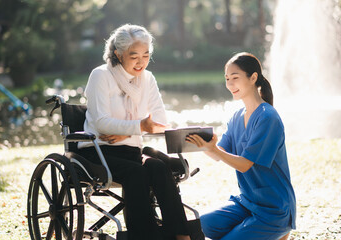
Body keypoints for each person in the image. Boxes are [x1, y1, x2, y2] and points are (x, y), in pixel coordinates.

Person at [76, 24, 191, 240]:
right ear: (118, 54)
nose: (141, 62)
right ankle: (145, 236)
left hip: (130, 151)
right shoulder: (101, 75)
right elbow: (101, 123)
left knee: (158, 166)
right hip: (98, 151)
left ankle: (181, 235)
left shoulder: (147, 79)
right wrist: (138, 127)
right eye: (134, 56)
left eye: (146, 55)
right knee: (136, 173)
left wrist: (128, 133)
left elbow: (159, 122)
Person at [186, 52, 296, 240]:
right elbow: (217, 154)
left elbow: (244, 164)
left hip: (274, 209)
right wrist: (203, 144)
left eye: (235, 78)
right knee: (196, 228)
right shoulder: (236, 117)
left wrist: (213, 149)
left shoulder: (268, 117)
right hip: (247, 203)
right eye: (227, 79)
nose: (229, 84)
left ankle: (278, 231)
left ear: (253, 78)